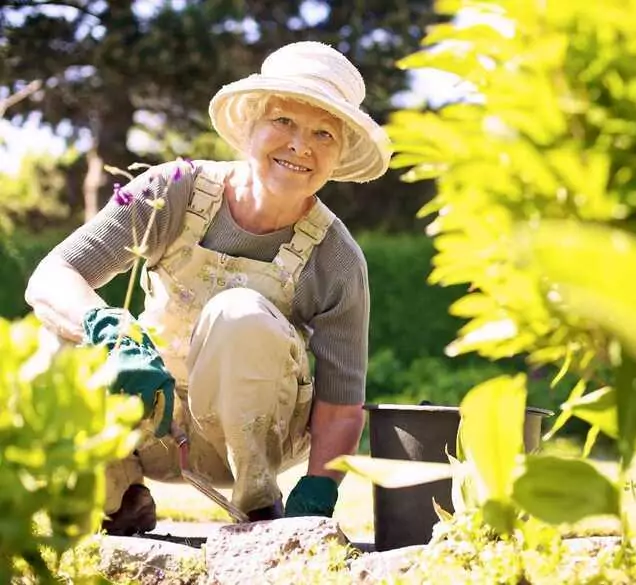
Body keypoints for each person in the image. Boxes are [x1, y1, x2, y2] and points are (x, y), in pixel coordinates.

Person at [24, 41, 392, 535]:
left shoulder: (336, 258)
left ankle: (259, 508)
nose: (300, 146)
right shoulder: (168, 191)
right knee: (54, 338)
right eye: (283, 122)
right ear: (251, 127)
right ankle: (114, 496)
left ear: (339, 152)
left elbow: (343, 403)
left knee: (239, 312)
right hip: (145, 419)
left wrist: (319, 490)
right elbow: (53, 277)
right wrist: (108, 331)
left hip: (251, 441)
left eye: (323, 133)